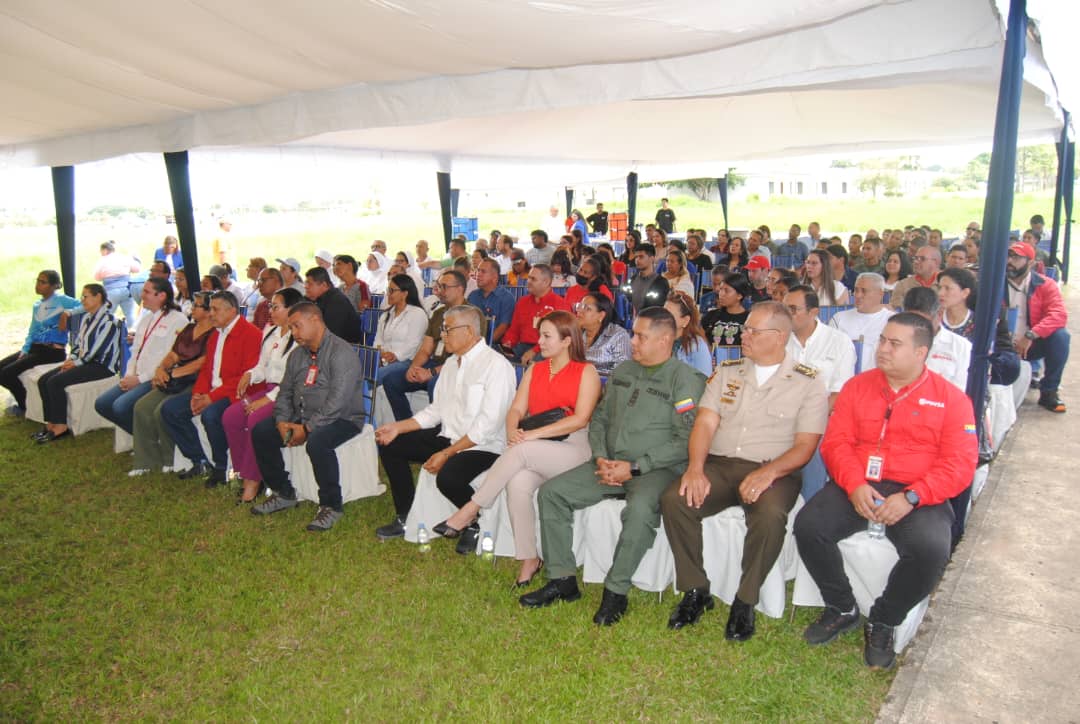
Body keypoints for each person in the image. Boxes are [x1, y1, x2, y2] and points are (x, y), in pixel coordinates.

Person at [794, 313, 978, 670]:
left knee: (931, 550)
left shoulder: (952, 400)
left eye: (895, 344)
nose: (883, 349)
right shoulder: (858, 387)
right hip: (860, 481)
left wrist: (913, 497)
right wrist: (854, 485)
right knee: (809, 526)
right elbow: (836, 444)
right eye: (882, 340)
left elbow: (960, 465)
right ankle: (842, 606)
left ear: (921, 352)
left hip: (918, 492)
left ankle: (884, 619)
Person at [519, 307, 706, 625]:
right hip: (608, 464)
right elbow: (600, 418)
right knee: (552, 493)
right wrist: (602, 456)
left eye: (640, 336)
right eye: (634, 333)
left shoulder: (686, 380)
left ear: (664, 340)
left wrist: (634, 467)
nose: (632, 341)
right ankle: (562, 579)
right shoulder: (623, 371)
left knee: (639, 510)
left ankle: (615, 592)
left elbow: (685, 438)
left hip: (655, 470)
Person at [662, 302, 828, 637]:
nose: (744, 335)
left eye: (753, 330)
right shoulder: (727, 372)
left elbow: (805, 446)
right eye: (746, 328)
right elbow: (705, 426)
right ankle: (696, 590)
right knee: (675, 499)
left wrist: (769, 473)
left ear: (779, 337)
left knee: (769, 516)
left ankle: (745, 600)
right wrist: (695, 468)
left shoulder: (808, 381)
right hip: (721, 465)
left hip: (775, 470)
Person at [438, 311, 602, 584]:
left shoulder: (586, 371)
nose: (539, 341)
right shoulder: (535, 369)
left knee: (522, 450)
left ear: (566, 341)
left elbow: (580, 419)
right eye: (541, 335)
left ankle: (470, 509)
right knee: (518, 483)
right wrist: (514, 431)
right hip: (537, 446)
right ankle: (529, 558)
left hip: (574, 447)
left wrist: (529, 436)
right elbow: (515, 408)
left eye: (547, 336)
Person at [374, 305, 517, 544]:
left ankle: (475, 520)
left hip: (484, 446)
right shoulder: (451, 363)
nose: (442, 335)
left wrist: (447, 453)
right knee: (391, 444)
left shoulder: (497, 366)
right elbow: (436, 411)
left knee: (448, 477)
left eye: (447, 329)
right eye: (442, 329)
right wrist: (398, 427)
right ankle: (406, 514)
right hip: (450, 436)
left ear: (470, 332)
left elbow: (487, 427)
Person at [248, 302, 367, 531]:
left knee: (318, 442)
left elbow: (337, 402)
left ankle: (331, 505)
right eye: (291, 328)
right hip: (303, 414)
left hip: (344, 418)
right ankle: (284, 492)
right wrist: (282, 421)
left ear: (315, 320)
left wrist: (308, 429)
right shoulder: (297, 355)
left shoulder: (341, 352)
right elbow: (285, 392)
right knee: (262, 432)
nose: (293, 333)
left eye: (296, 326)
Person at [160, 291, 262, 487]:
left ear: (232, 311)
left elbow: (243, 378)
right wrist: (198, 394)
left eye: (215, 309)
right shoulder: (216, 334)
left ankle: (221, 467)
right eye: (210, 309)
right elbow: (207, 369)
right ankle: (199, 459)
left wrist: (210, 398)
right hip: (212, 390)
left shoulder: (251, 334)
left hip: (236, 393)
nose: (211, 314)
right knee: (170, 410)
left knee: (211, 415)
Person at [222, 288, 303, 503]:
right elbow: (262, 366)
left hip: (288, 394)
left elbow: (294, 379)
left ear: (291, 309)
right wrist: (249, 374)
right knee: (231, 416)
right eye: (270, 306)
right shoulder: (271, 331)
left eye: (276, 307)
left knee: (256, 417)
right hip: (267, 388)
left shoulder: (301, 337)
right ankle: (242, 470)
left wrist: (267, 399)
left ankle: (253, 481)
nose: (271, 311)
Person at [783, 286, 857, 500]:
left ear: (813, 312)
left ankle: (810, 502)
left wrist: (806, 419)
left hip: (823, 417)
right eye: (784, 308)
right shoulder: (780, 339)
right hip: (781, 414)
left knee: (811, 441)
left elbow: (839, 394)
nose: (787, 315)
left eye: (793, 309)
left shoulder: (838, 342)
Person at [129, 293, 214, 476]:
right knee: (141, 407)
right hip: (175, 378)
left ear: (208, 312)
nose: (192, 309)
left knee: (162, 409)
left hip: (196, 380)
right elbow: (173, 354)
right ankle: (146, 460)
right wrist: (161, 368)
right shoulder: (189, 329)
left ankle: (170, 459)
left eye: (197, 306)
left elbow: (203, 362)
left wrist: (174, 373)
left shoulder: (214, 333)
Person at [95, 278, 189, 435]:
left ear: (162, 296)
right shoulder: (146, 319)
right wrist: (129, 375)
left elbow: (169, 359)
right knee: (102, 404)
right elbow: (136, 351)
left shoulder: (178, 320)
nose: (141, 295)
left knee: (121, 406)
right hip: (136, 376)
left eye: (147, 292)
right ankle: (144, 438)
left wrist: (139, 379)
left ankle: (150, 441)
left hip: (154, 378)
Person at [31, 284, 123, 444]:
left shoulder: (110, 321)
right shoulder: (87, 318)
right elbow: (78, 344)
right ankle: (50, 423)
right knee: (44, 380)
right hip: (84, 362)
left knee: (55, 382)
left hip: (102, 366)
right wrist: (71, 359)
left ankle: (61, 426)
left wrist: (76, 363)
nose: (82, 300)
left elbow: (96, 350)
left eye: (85, 297)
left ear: (98, 297)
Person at [381, 270, 470, 420]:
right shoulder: (438, 313)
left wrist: (431, 373)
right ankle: (405, 426)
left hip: (456, 367)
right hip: (432, 363)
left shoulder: (472, 315)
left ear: (460, 289)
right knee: (392, 381)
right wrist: (413, 368)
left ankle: (439, 433)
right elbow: (425, 349)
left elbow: (465, 358)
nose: (439, 291)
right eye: (439, 287)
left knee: (434, 384)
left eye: (444, 287)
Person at [1, 270, 82, 415]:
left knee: (7, 374)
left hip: (52, 351)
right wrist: (24, 350)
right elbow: (33, 331)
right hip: (35, 348)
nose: (38, 285)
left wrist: (67, 313)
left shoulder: (62, 300)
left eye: (43, 282)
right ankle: (28, 402)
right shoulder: (37, 305)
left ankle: (26, 406)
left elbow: (87, 305)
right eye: (37, 281)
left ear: (54, 286)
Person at [1006, 242, 1070, 413]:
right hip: (1001, 342)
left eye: (1016, 257)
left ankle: (1049, 391)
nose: (1010, 261)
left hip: (1029, 344)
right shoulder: (996, 283)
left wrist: (1030, 335)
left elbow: (1058, 315)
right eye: (1009, 256)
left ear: (1031, 263)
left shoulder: (1045, 284)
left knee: (1061, 337)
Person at [501, 264, 571, 363]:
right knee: (499, 359)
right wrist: (507, 343)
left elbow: (559, 337)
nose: (528, 282)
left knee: (533, 363)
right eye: (528, 278)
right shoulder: (522, 302)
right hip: (522, 346)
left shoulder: (560, 304)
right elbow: (514, 329)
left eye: (533, 279)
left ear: (546, 282)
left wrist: (534, 350)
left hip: (547, 348)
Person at [829, 273, 893, 373]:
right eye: (856, 290)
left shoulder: (892, 321)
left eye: (864, 291)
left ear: (880, 293)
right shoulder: (839, 318)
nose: (858, 295)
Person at [374, 274, 429, 379]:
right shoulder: (386, 314)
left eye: (392, 290)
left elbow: (413, 344)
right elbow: (378, 340)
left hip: (407, 361)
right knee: (359, 371)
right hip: (384, 360)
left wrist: (395, 355)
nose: (388, 294)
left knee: (374, 377)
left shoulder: (417, 314)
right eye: (388, 290)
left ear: (404, 293)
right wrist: (380, 354)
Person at [576, 293, 632, 376]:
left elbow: (624, 369)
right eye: (579, 306)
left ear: (601, 315)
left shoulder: (618, 335)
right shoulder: (575, 333)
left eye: (587, 309)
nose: (579, 311)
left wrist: (589, 369)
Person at [303, 267, 362, 344]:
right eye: (306, 283)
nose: (306, 286)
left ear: (324, 285)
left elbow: (331, 334)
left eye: (310, 284)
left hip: (341, 348)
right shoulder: (314, 299)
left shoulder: (336, 302)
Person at [467, 259, 515, 345]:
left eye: (483, 271)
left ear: (495, 277)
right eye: (478, 270)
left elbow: (503, 327)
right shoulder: (472, 296)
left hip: (495, 345)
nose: (478, 274)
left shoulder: (506, 298)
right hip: (472, 342)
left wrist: (483, 345)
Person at [665, 291, 712, 376]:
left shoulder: (697, 346)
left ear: (685, 320)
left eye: (669, 315)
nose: (662, 318)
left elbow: (703, 381)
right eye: (663, 312)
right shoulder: (657, 340)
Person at [92, 241, 141, 321]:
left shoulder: (102, 260)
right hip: (127, 289)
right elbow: (137, 269)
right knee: (130, 315)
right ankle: (131, 331)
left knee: (107, 316)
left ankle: (108, 332)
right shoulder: (123, 257)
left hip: (111, 290)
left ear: (105, 250)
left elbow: (96, 277)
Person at [702, 273, 751, 347]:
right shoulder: (711, 315)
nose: (721, 294)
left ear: (739, 295)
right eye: (721, 289)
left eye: (726, 291)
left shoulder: (749, 319)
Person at [889, 246, 940, 310]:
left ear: (936, 262)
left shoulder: (945, 285)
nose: (916, 262)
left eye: (922, 259)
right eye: (915, 258)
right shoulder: (903, 285)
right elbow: (896, 311)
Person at [628, 243, 670, 313]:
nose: (637, 260)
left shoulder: (661, 282)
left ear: (652, 258)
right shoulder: (632, 279)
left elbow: (659, 308)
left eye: (641, 257)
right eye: (636, 257)